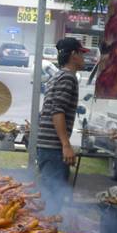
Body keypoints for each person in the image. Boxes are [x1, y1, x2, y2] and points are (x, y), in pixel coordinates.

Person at [36, 37, 85, 210]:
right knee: (53, 203)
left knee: (49, 198)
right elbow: (57, 111)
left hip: (46, 147)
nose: (84, 58)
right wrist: (66, 145)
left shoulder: (56, 76)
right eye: (82, 54)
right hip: (53, 149)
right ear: (74, 55)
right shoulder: (68, 78)